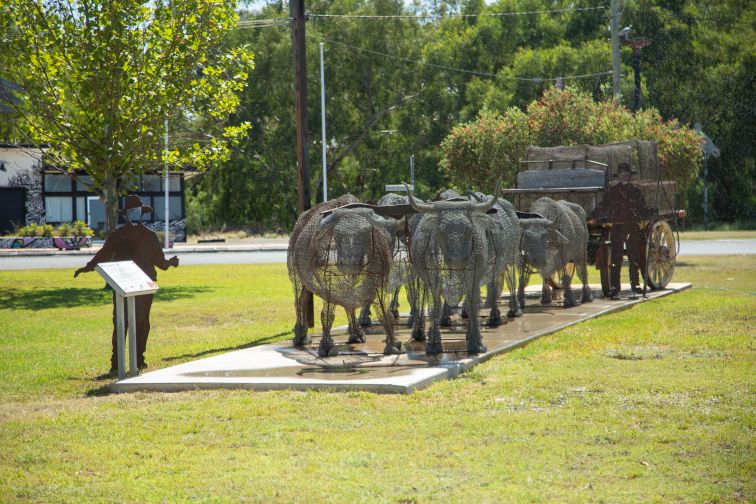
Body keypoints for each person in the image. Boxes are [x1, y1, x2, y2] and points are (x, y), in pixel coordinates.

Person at [74, 195, 179, 373]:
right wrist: (88, 266)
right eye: (131, 212)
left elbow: (160, 263)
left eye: (137, 211)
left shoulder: (150, 236)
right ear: (127, 215)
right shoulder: (118, 235)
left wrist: (170, 262)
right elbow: (104, 253)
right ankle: (116, 362)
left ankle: (139, 359)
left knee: (142, 322)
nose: (135, 214)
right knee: (121, 322)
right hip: (122, 285)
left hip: (144, 286)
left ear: (141, 214)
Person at [604, 162, 646, 300]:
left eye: (626, 174)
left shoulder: (636, 191)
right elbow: (603, 207)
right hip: (618, 227)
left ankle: (635, 285)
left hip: (632, 226)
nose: (624, 176)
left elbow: (643, 209)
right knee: (616, 258)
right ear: (619, 176)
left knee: (634, 256)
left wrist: (651, 212)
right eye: (621, 174)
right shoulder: (613, 192)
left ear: (629, 176)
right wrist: (593, 216)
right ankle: (615, 288)